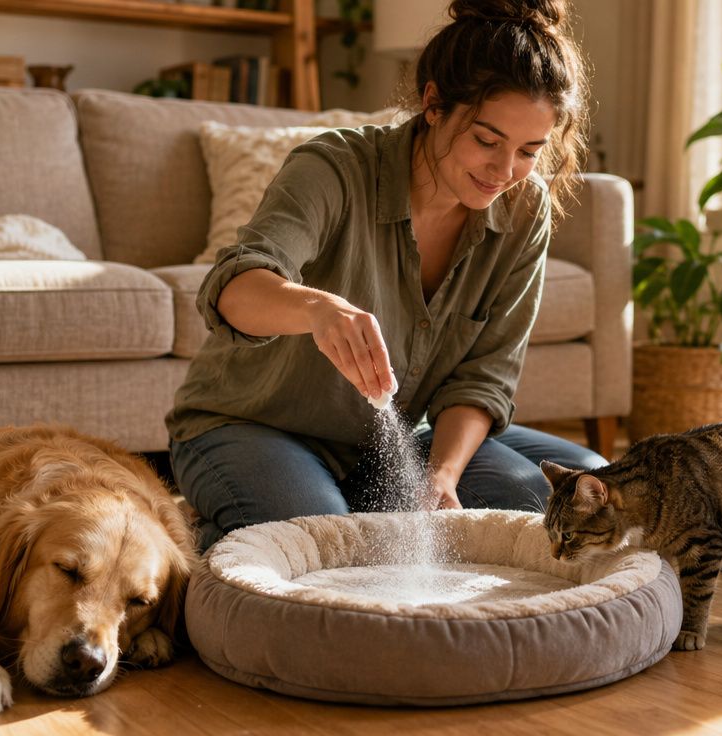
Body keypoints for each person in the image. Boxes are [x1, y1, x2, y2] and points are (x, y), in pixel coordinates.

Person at [166, 0, 604, 550]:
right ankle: (198, 534)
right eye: (487, 141)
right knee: (328, 545)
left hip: (389, 445)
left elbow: (484, 377)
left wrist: (440, 476)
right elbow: (233, 286)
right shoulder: (334, 167)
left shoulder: (525, 208)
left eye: (529, 151)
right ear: (434, 104)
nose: (504, 170)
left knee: (586, 500)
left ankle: (344, 517)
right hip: (250, 425)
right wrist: (317, 309)